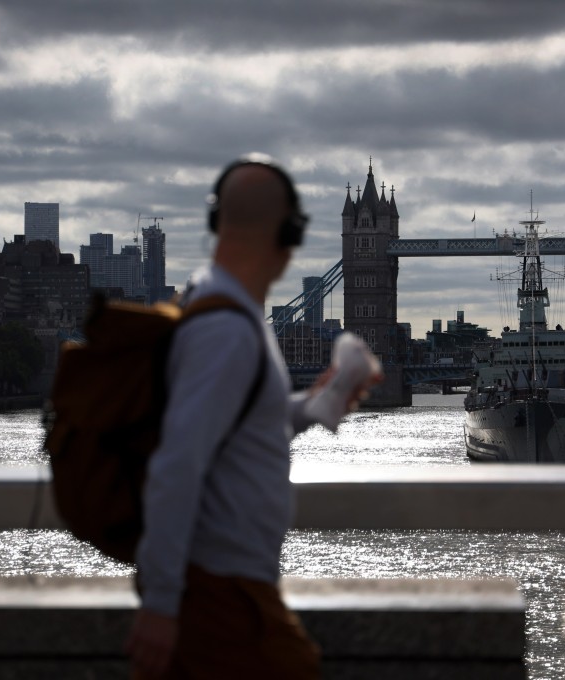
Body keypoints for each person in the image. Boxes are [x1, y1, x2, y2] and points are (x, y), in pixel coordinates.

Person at [125, 154, 379, 679]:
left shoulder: (223, 309)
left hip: (231, 588)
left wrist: (311, 407)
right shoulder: (227, 330)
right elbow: (178, 463)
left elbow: (232, 422)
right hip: (222, 594)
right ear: (288, 233)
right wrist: (163, 604)